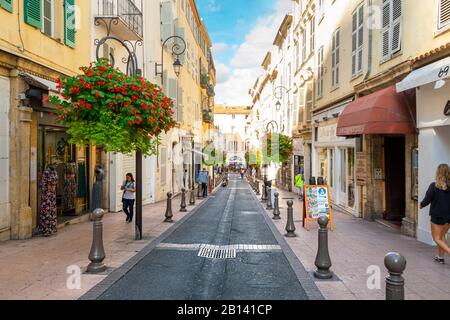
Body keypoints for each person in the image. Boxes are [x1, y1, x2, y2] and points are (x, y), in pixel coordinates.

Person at [420, 164, 450, 264]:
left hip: (437, 216)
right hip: (448, 217)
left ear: (438, 173)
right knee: (442, 237)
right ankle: (440, 257)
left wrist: (422, 205)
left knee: (436, 238)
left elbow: (428, 198)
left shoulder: (434, 186)